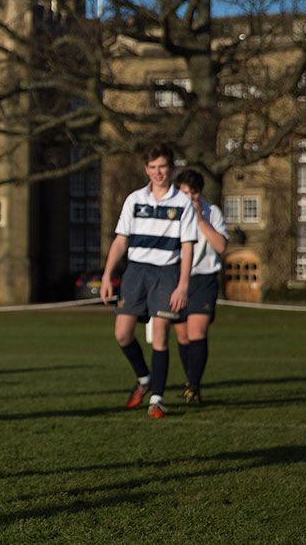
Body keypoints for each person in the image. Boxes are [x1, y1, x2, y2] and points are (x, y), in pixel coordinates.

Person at [100, 143, 196, 419]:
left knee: (161, 335)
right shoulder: (134, 200)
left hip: (167, 273)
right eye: (152, 167)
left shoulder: (182, 203)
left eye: (163, 166)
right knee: (122, 333)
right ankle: (144, 378)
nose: (158, 172)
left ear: (172, 168)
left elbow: (187, 246)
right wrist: (108, 275)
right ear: (146, 169)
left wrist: (183, 285)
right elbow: (121, 240)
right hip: (136, 272)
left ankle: (157, 398)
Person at [172, 169, 227, 404]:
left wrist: (200, 220)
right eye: (184, 193)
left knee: (197, 333)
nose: (189, 199)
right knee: (183, 336)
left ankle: (193, 387)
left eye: (193, 194)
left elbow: (221, 246)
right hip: (175, 278)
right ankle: (189, 381)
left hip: (203, 278)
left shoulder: (211, 212)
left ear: (199, 194)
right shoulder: (171, 212)